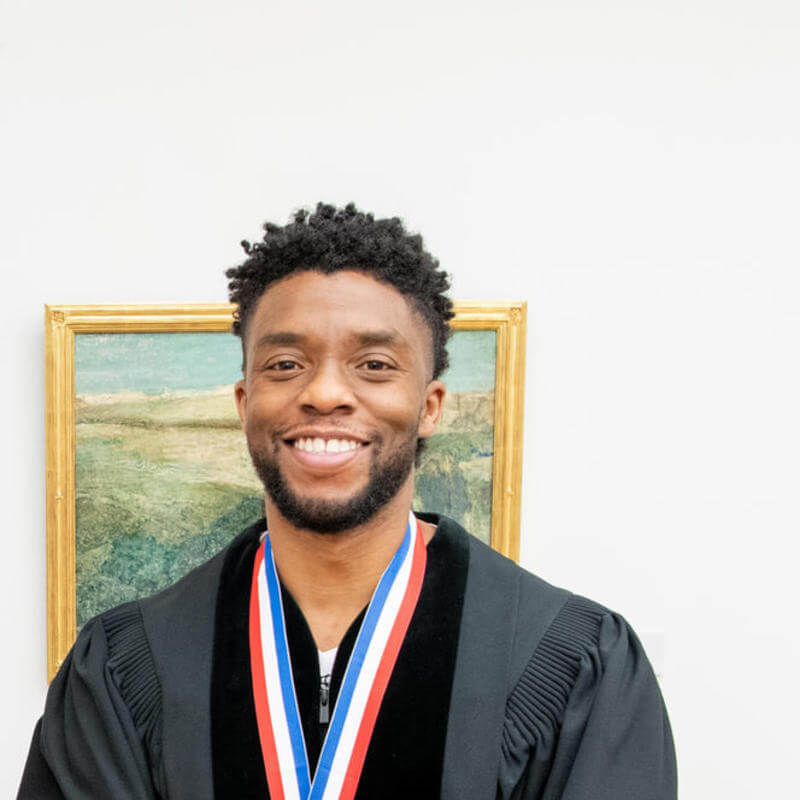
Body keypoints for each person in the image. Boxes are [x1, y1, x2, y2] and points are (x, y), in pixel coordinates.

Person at [18, 203, 677, 799]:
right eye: (284, 365)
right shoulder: (127, 667)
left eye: (375, 365)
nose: (326, 392)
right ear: (246, 405)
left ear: (430, 406)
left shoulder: (568, 661)